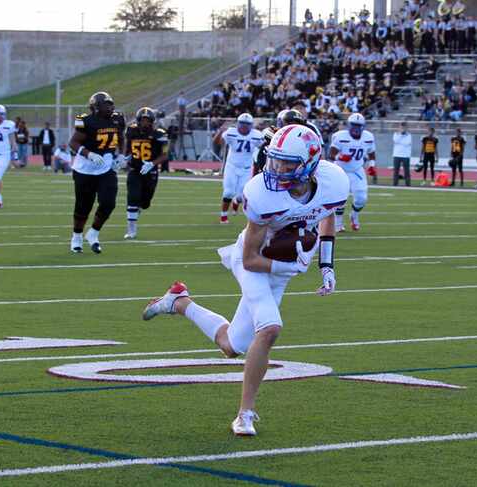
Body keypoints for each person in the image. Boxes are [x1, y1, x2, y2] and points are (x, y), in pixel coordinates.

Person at [142, 124, 348, 437]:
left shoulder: (333, 182)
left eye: (286, 164)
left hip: (279, 266)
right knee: (270, 328)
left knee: (232, 345)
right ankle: (245, 414)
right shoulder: (262, 193)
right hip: (252, 261)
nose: (276, 168)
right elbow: (251, 258)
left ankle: (179, 302)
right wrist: (293, 267)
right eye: (274, 160)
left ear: (309, 164)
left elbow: (327, 215)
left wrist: (326, 265)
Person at [69, 91, 125, 254]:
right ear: (96, 107)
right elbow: (73, 142)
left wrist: (120, 154)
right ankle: (77, 236)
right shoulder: (84, 121)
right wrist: (89, 154)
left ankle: (93, 233)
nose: (110, 107)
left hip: (105, 168)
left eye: (111, 104)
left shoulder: (118, 118)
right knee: (83, 207)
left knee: (109, 203)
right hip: (84, 169)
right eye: (106, 104)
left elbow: (120, 137)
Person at [123, 107, 169, 240]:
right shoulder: (131, 130)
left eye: (147, 120)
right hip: (135, 169)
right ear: (138, 121)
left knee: (145, 203)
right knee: (132, 198)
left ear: (152, 121)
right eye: (142, 120)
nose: (145, 123)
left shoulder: (159, 134)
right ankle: (131, 229)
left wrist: (152, 164)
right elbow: (128, 149)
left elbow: (165, 155)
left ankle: (137, 209)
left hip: (151, 171)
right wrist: (125, 158)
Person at [328, 113, 376, 231]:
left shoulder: (368, 137)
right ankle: (338, 224)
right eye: (353, 125)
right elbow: (331, 154)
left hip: (356, 170)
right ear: (349, 125)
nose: (355, 128)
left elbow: (371, 153)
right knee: (340, 198)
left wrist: (372, 165)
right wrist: (340, 157)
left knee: (361, 198)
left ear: (363, 127)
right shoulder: (340, 136)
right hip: (340, 170)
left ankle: (354, 216)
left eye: (358, 126)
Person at [213, 113, 263, 224]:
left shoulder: (257, 135)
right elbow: (217, 143)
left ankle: (236, 202)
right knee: (228, 192)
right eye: (242, 124)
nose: (244, 126)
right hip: (232, 166)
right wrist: (220, 132)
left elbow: (264, 147)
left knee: (242, 195)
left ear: (251, 125)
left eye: (247, 124)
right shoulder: (231, 133)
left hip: (246, 168)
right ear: (238, 124)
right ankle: (224, 216)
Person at [392, 122, 412, 186]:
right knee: (396, 171)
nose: (403, 129)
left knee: (406, 171)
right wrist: (401, 134)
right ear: (399, 128)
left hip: (406, 156)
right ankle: (395, 184)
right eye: (401, 127)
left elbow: (407, 143)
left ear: (406, 128)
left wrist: (402, 137)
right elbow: (396, 141)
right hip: (396, 155)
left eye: (404, 127)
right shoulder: (395, 134)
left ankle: (408, 184)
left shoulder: (409, 135)